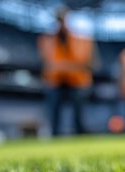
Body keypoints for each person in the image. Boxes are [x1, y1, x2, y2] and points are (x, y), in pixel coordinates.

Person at [38, 8, 96, 136]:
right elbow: (46, 62)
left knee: (78, 114)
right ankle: (55, 137)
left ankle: (80, 136)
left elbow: (87, 61)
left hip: (77, 81)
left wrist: (65, 66)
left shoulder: (81, 39)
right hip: (55, 81)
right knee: (54, 115)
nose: (61, 24)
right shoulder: (48, 40)